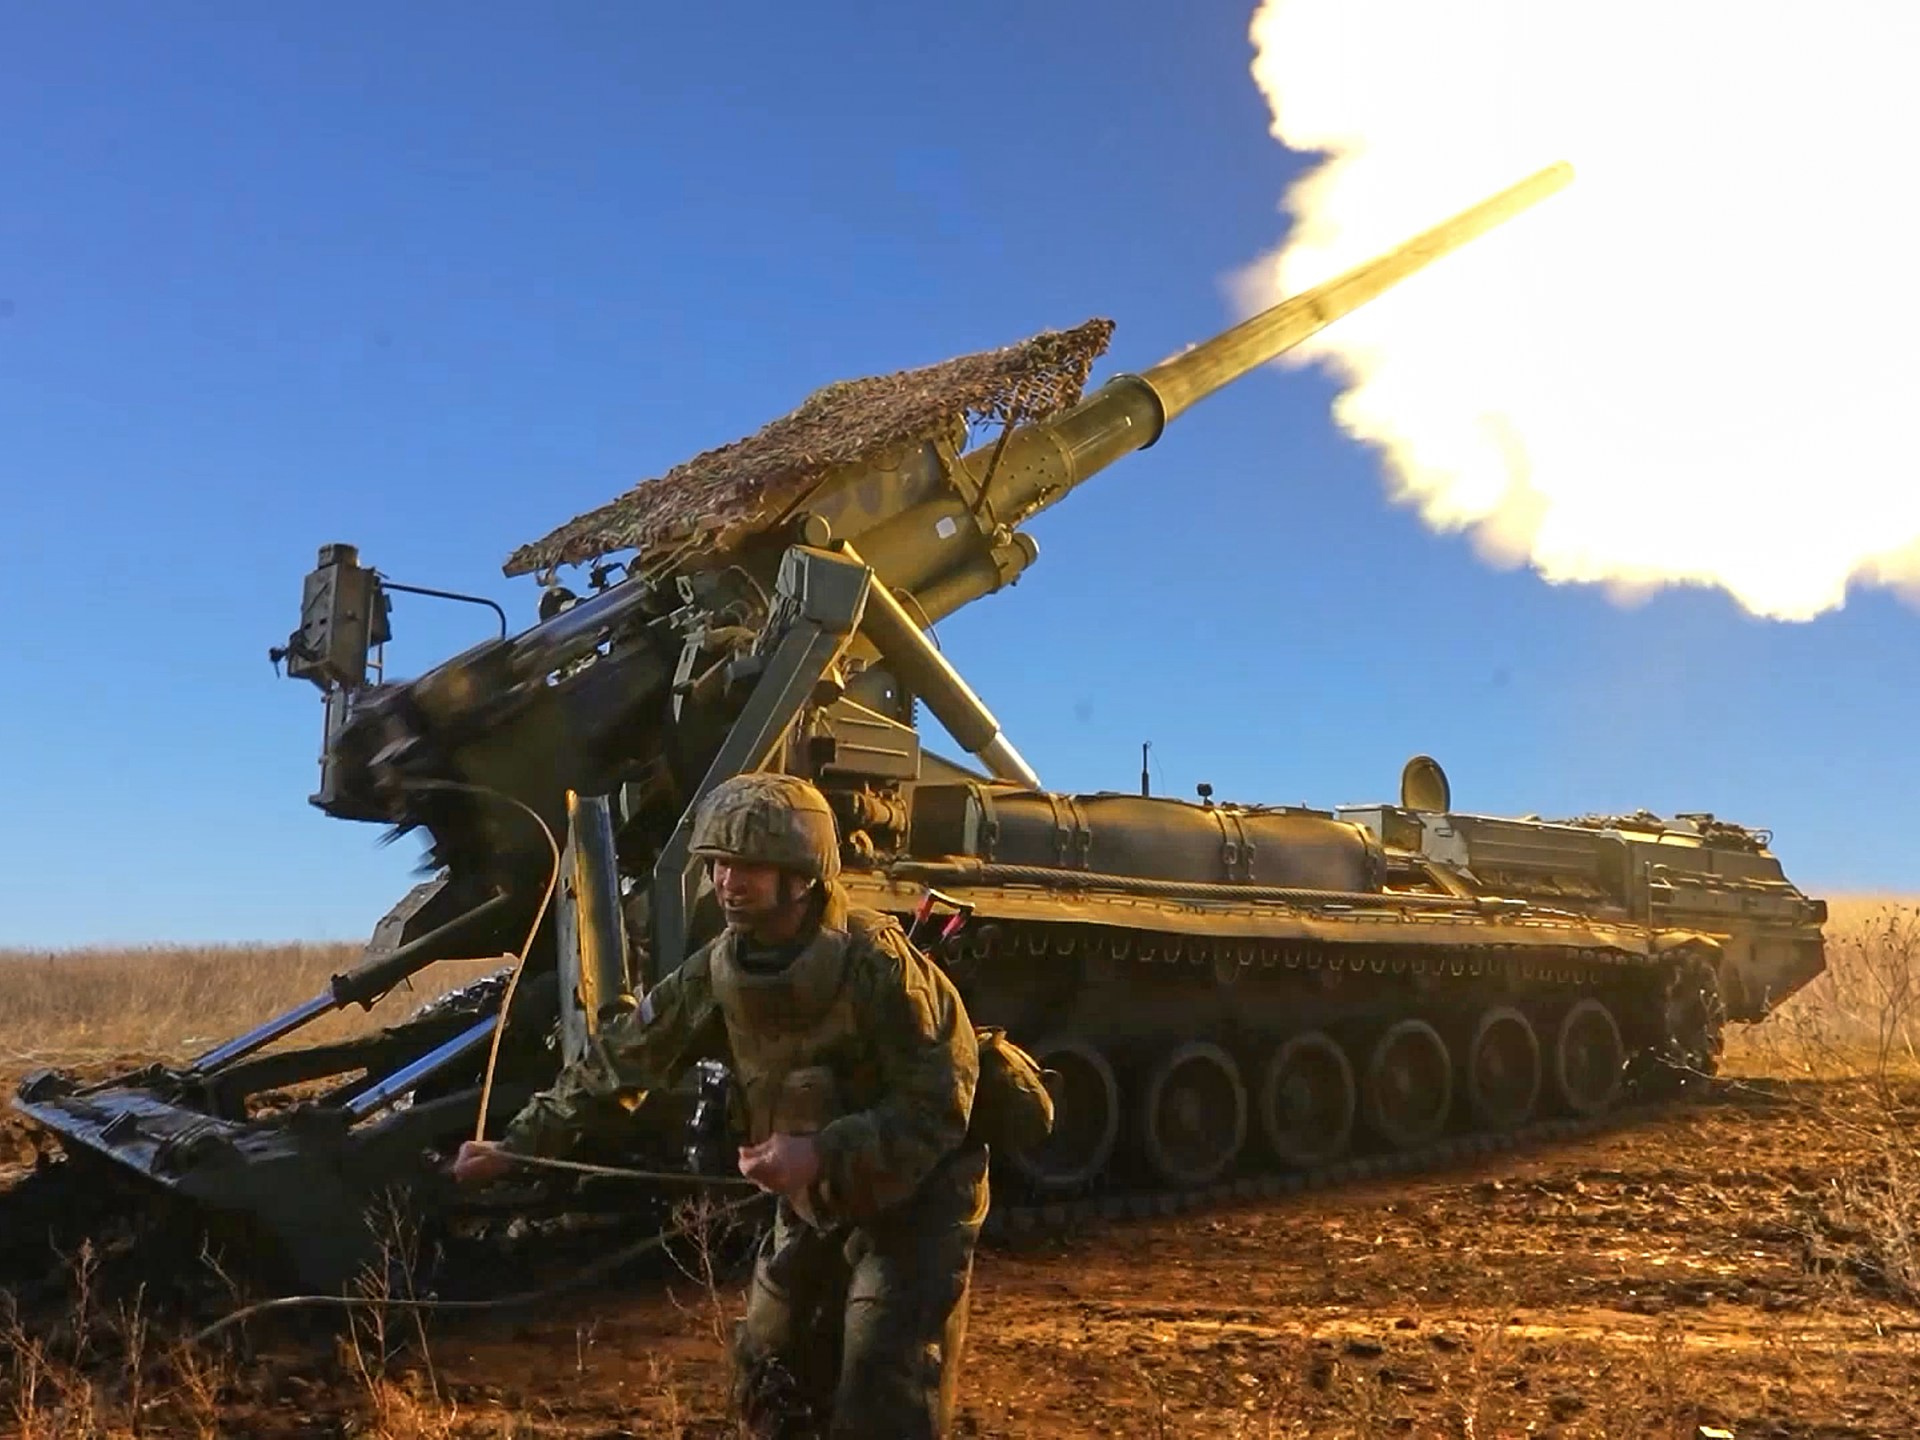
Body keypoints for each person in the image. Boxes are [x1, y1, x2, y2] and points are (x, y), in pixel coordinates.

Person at [454, 771, 985, 1439]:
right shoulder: (720, 969)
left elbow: (942, 1101)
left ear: (801, 878)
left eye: (748, 867)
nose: (727, 883)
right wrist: (517, 1147)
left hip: (918, 1197)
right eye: (717, 864)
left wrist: (821, 1151)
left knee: (882, 1381)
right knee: (769, 1366)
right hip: (816, 1195)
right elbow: (621, 1061)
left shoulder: (878, 966)